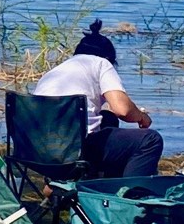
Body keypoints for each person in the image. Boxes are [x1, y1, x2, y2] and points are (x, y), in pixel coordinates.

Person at [31, 20, 165, 180]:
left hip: (36, 151)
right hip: (75, 151)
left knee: (108, 118)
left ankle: (64, 184)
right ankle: (131, 194)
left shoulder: (55, 72)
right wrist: (141, 116)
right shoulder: (101, 63)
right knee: (151, 139)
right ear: (109, 57)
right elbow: (122, 109)